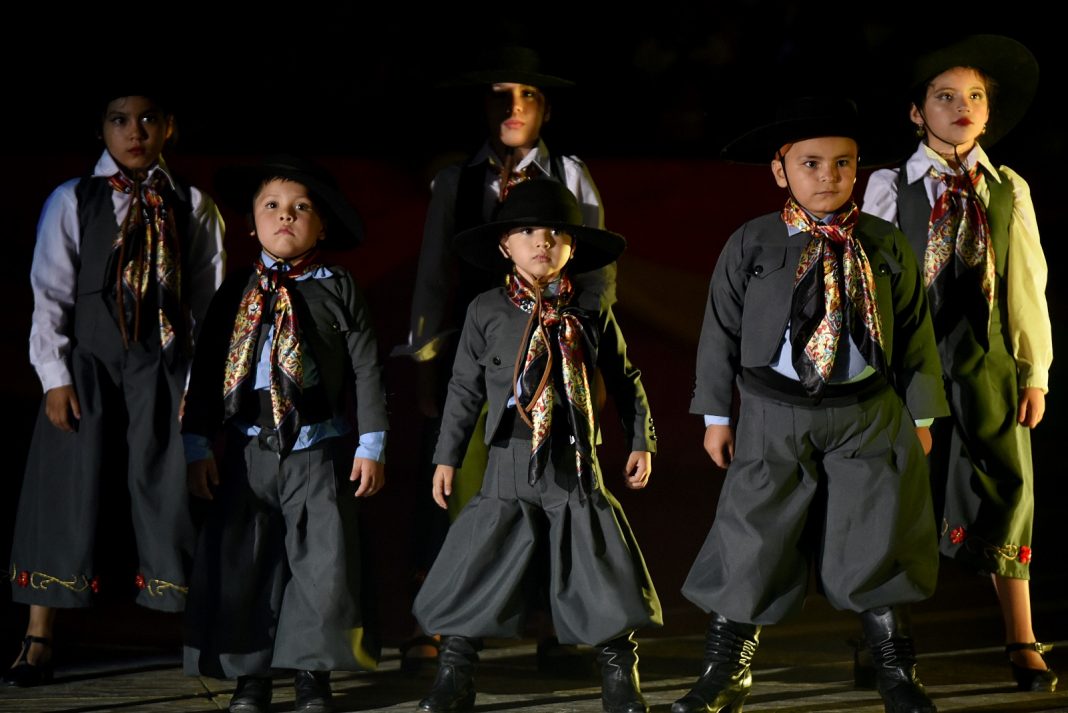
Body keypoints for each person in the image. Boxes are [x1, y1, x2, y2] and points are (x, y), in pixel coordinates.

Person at [674, 97, 949, 713]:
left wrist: (922, 414)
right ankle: (725, 672)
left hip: (867, 412)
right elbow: (719, 332)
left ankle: (897, 675)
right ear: (780, 171)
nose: (829, 176)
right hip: (774, 413)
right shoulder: (753, 241)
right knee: (753, 536)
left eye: (843, 163)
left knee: (878, 535)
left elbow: (915, 330)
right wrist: (716, 417)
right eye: (811, 163)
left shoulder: (883, 241)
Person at [397, 45, 615, 672]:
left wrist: (591, 353)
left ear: (544, 108)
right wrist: (425, 357)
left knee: (555, 477)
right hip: (476, 351)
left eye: (526, 95)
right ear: (482, 105)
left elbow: (598, 275)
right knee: (454, 481)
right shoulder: (456, 181)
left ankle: (557, 621)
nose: (513, 107)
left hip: (556, 352)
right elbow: (433, 274)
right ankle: (439, 621)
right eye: (500, 95)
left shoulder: (569, 172)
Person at [413, 179, 660, 713]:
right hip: (508, 460)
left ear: (572, 246)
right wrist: (446, 457)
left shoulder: (590, 308)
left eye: (555, 233)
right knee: (476, 563)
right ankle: (454, 674)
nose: (542, 241)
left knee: (600, 564)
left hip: (574, 460)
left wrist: (641, 439)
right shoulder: (485, 310)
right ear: (505, 245)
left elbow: (624, 378)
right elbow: (463, 389)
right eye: (526, 231)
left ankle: (620, 675)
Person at [5, 89, 225, 687]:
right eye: (120, 120)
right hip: (90, 364)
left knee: (169, 490)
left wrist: (197, 390)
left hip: (164, 366)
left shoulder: (193, 204)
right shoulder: (73, 198)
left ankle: (197, 635)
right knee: (66, 489)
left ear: (169, 127)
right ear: (102, 127)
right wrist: (54, 377)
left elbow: (208, 304)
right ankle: (38, 636)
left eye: (148, 119)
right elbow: (50, 292)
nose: (135, 132)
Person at [862, 35, 1056, 693]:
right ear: (917, 112)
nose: (961, 106)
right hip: (912, 368)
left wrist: (1034, 372)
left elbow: (1027, 287)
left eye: (973, 96)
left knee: (1008, 492)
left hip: (988, 364)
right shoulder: (891, 185)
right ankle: (886, 643)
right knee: (899, 499)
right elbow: (874, 290)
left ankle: (1021, 638)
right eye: (944, 96)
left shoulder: (1007, 188)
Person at [180, 156, 388, 713]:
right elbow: (207, 370)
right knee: (246, 562)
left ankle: (311, 674)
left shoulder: (338, 286)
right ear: (252, 222)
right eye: (271, 206)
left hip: (316, 447)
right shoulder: (236, 290)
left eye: (301, 208)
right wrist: (197, 444)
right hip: (247, 448)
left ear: (322, 227)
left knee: (321, 565)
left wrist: (371, 444)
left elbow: (367, 368)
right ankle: (251, 678)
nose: (285, 216)